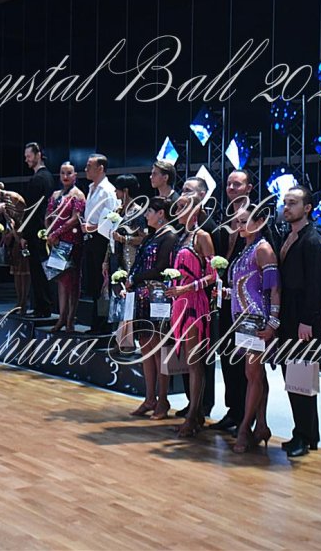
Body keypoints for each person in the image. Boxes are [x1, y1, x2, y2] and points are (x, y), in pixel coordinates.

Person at [277, 186, 321, 457]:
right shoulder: (289, 236)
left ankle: (304, 436)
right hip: (290, 316)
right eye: (285, 202)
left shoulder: (312, 241)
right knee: (293, 378)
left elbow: (317, 286)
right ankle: (307, 433)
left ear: (307, 208)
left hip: (304, 320)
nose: (286, 207)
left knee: (301, 379)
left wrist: (307, 320)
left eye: (293, 203)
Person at [164, 182, 217, 438]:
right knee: (188, 362)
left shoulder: (202, 236)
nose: (178, 211)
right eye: (178, 207)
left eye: (183, 207)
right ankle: (194, 414)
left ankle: (194, 414)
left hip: (195, 304)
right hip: (180, 304)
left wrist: (186, 288)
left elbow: (213, 274)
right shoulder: (182, 237)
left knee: (195, 363)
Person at [227, 204, 280, 453]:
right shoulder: (246, 248)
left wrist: (273, 322)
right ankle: (261, 426)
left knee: (253, 374)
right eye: (237, 222)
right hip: (244, 320)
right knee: (255, 374)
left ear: (259, 222)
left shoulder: (263, 249)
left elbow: (274, 289)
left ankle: (244, 428)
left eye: (244, 221)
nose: (239, 226)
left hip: (257, 321)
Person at [209, 169, 256, 434]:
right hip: (226, 299)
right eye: (228, 184)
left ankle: (248, 417)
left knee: (248, 363)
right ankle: (233, 410)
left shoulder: (256, 217)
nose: (231, 188)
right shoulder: (224, 217)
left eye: (237, 184)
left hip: (249, 304)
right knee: (227, 355)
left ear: (249, 188)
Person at [124, 197, 177, 419]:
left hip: (158, 299)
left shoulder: (170, 236)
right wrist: (129, 278)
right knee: (146, 349)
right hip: (143, 297)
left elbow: (161, 269)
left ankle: (163, 399)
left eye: (150, 212)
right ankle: (149, 398)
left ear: (161, 213)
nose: (146, 215)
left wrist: (134, 279)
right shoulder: (151, 236)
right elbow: (139, 263)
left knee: (159, 351)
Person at [45, 163, 86, 332]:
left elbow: (75, 219)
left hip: (72, 242)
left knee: (73, 281)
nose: (65, 176)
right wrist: (49, 233)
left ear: (75, 175)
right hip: (57, 242)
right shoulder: (55, 194)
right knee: (61, 279)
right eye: (62, 173)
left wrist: (56, 232)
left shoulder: (78, 195)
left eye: (69, 173)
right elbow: (47, 215)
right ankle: (62, 317)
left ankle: (70, 319)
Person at [82, 153, 119, 330]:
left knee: (101, 283)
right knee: (93, 283)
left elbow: (112, 219)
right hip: (90, 239)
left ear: (100, 168)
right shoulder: (91, 188)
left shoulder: (107, 190)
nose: (86, 169)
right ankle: (95, 323)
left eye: (89, 166)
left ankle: (102, 325)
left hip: (102, 239)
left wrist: (92, 227)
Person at [0, 181, 29, 312]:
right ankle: (19, 302)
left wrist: (14, 234)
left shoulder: (11, 198)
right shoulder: (2, 201)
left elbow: (22, 219)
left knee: (23, 272)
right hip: (14, 237)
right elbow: (10, 221)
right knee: (16, 272)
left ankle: (23, 302)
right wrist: (7, 233)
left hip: (22, 236)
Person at [22, 142, 56, 318]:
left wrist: (24, 234)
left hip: (36, 231)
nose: (26, 159)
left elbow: (31, 210)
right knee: (42, 270)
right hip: (43, 229)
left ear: (38, 155)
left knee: (38, 270)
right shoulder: (48, 177)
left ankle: (42, 308)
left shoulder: (38, 179)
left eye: (29, 156)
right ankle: (44, 306)